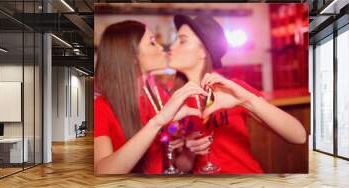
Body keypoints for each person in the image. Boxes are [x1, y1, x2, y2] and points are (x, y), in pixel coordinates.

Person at [168, 14, 307, 174]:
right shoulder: (174, 100)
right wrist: (189, 151)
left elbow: (299, 136)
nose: (171, 47)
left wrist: (246, 100)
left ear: (203, 52)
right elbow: (182, 167)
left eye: (182, 40)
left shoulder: (230, 89)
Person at [94, 20, 206, 175]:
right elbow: (102, 171)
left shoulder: (155, 95)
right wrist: (158, 122)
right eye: (152, 43)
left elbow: (175, 156)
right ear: (132, 56)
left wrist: (179, 135)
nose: (162, 48)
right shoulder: (101, 107)